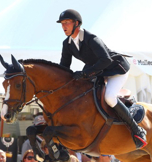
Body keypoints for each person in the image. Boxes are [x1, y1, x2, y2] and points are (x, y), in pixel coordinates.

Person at [57, 9, 147, 149]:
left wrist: (85, 73)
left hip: (116, 70)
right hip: (98, 71)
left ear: (76, 23)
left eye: (67, 22)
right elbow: (64, 67)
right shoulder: (67, 44)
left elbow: (105, 60)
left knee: (109, 97)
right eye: (62, 23)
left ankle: (137, 130)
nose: (64, 26)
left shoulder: (91, 39)